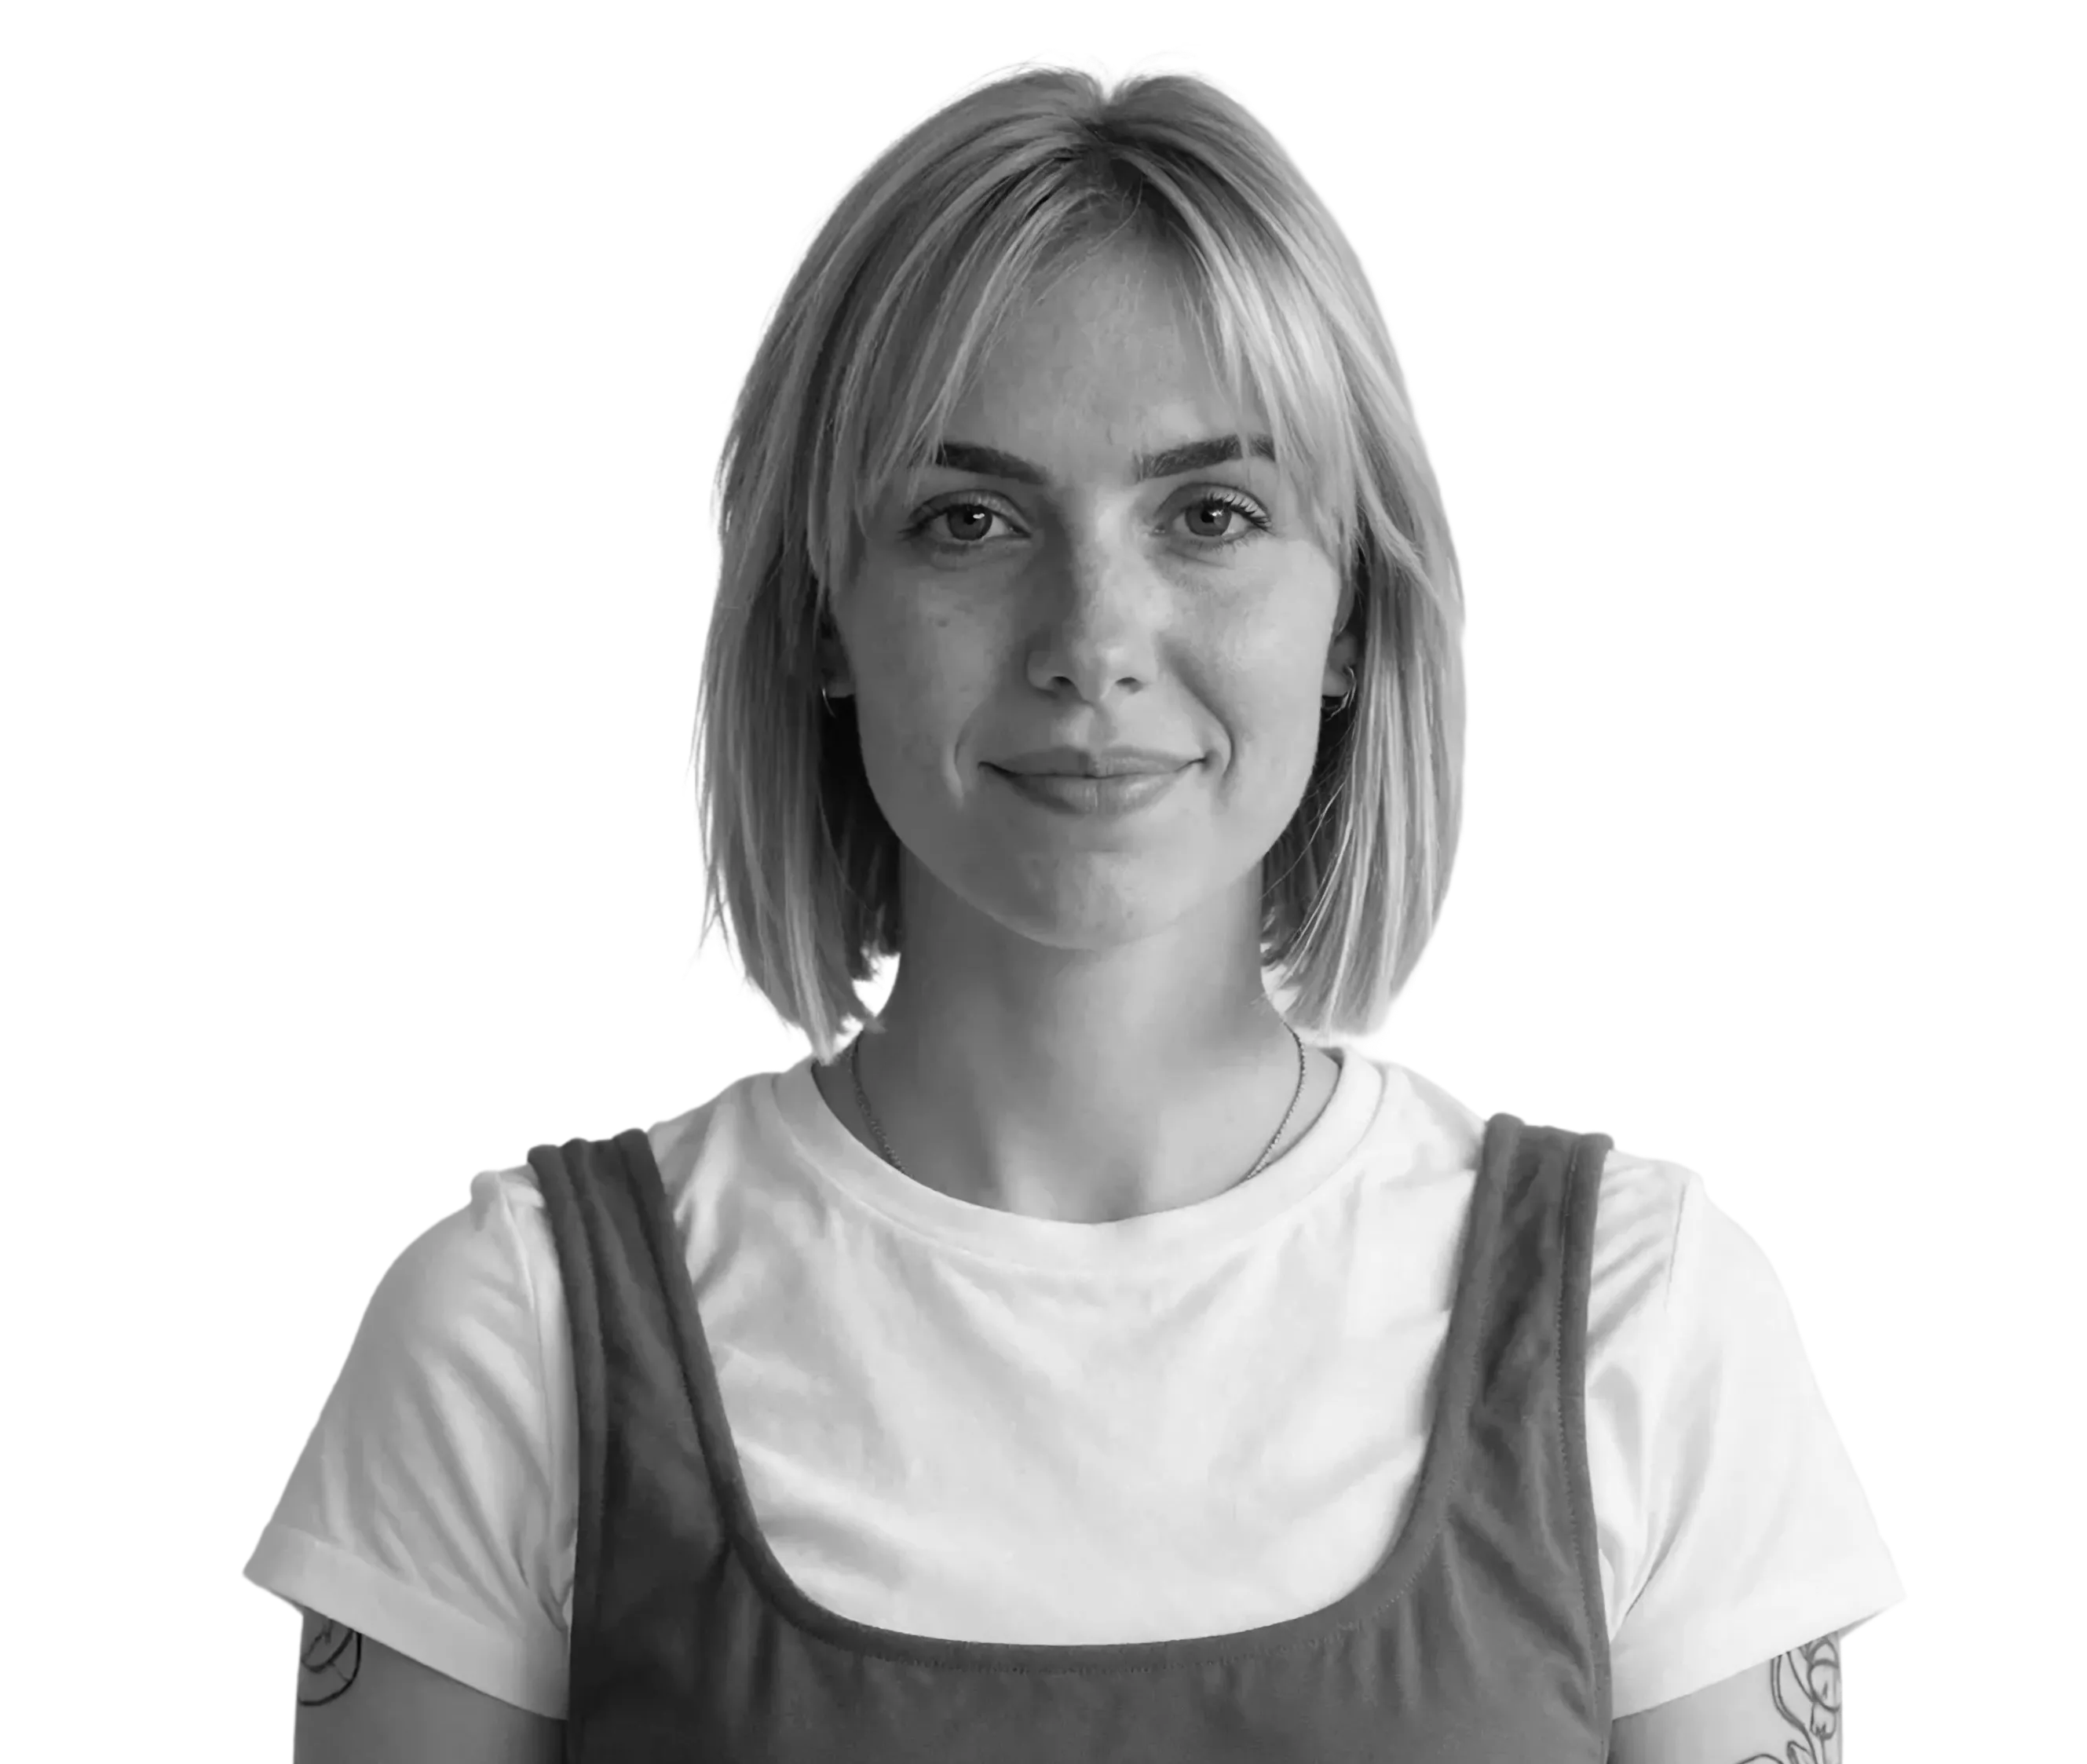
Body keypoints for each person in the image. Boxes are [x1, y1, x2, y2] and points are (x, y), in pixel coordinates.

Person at [242, 49, 1905, 1761]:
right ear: (820, 617)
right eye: (967, 519)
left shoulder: (1650, 1318)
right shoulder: (511, 1333)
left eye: (1211, 514)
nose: (1093, 639)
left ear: (1351, 615)